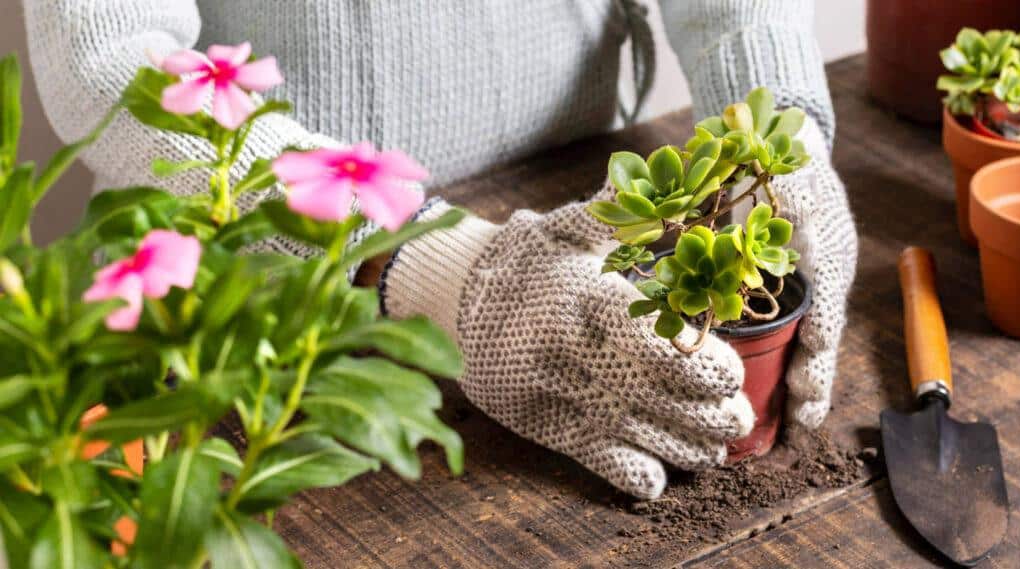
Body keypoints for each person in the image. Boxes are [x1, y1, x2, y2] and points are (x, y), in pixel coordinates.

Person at [24, 0, 856, 500]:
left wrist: (781, 134)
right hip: (242, 319)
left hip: (587, 231)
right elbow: (108, 53)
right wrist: (414, 255)